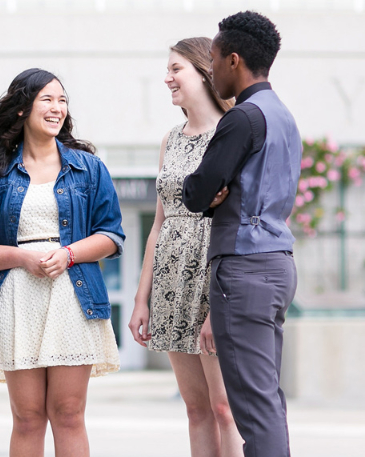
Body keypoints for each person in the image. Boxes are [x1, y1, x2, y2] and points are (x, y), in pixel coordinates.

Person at [0, 68, 124, 457]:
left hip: (72, 297)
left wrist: (69, 254)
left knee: (69, 413)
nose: (57, 108)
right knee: (27, 417)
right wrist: (23, 258)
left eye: (62, 100)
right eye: (47, 99)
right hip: (16, 297)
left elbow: (112, 236)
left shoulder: (88, 168)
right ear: (23, 109)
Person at [182, 12, 301, 457]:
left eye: (212, 61)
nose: (210, 71)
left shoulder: (242, 118)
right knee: (266, 397)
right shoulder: (284, 116)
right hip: (277, 263)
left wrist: (209, 192)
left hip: (244, 267)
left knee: (252, 404)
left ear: (234, 60)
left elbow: (196, 192)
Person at [128, 37, 243, 457]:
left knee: (224, 407)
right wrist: (142, 299)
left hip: (213, 275)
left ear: (203, 72)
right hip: (170, 280)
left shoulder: (232, 135)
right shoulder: (170, 140)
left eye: (176, 69)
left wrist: (219, 304)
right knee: (196, 409)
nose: (167, 78)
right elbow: (158, 225)